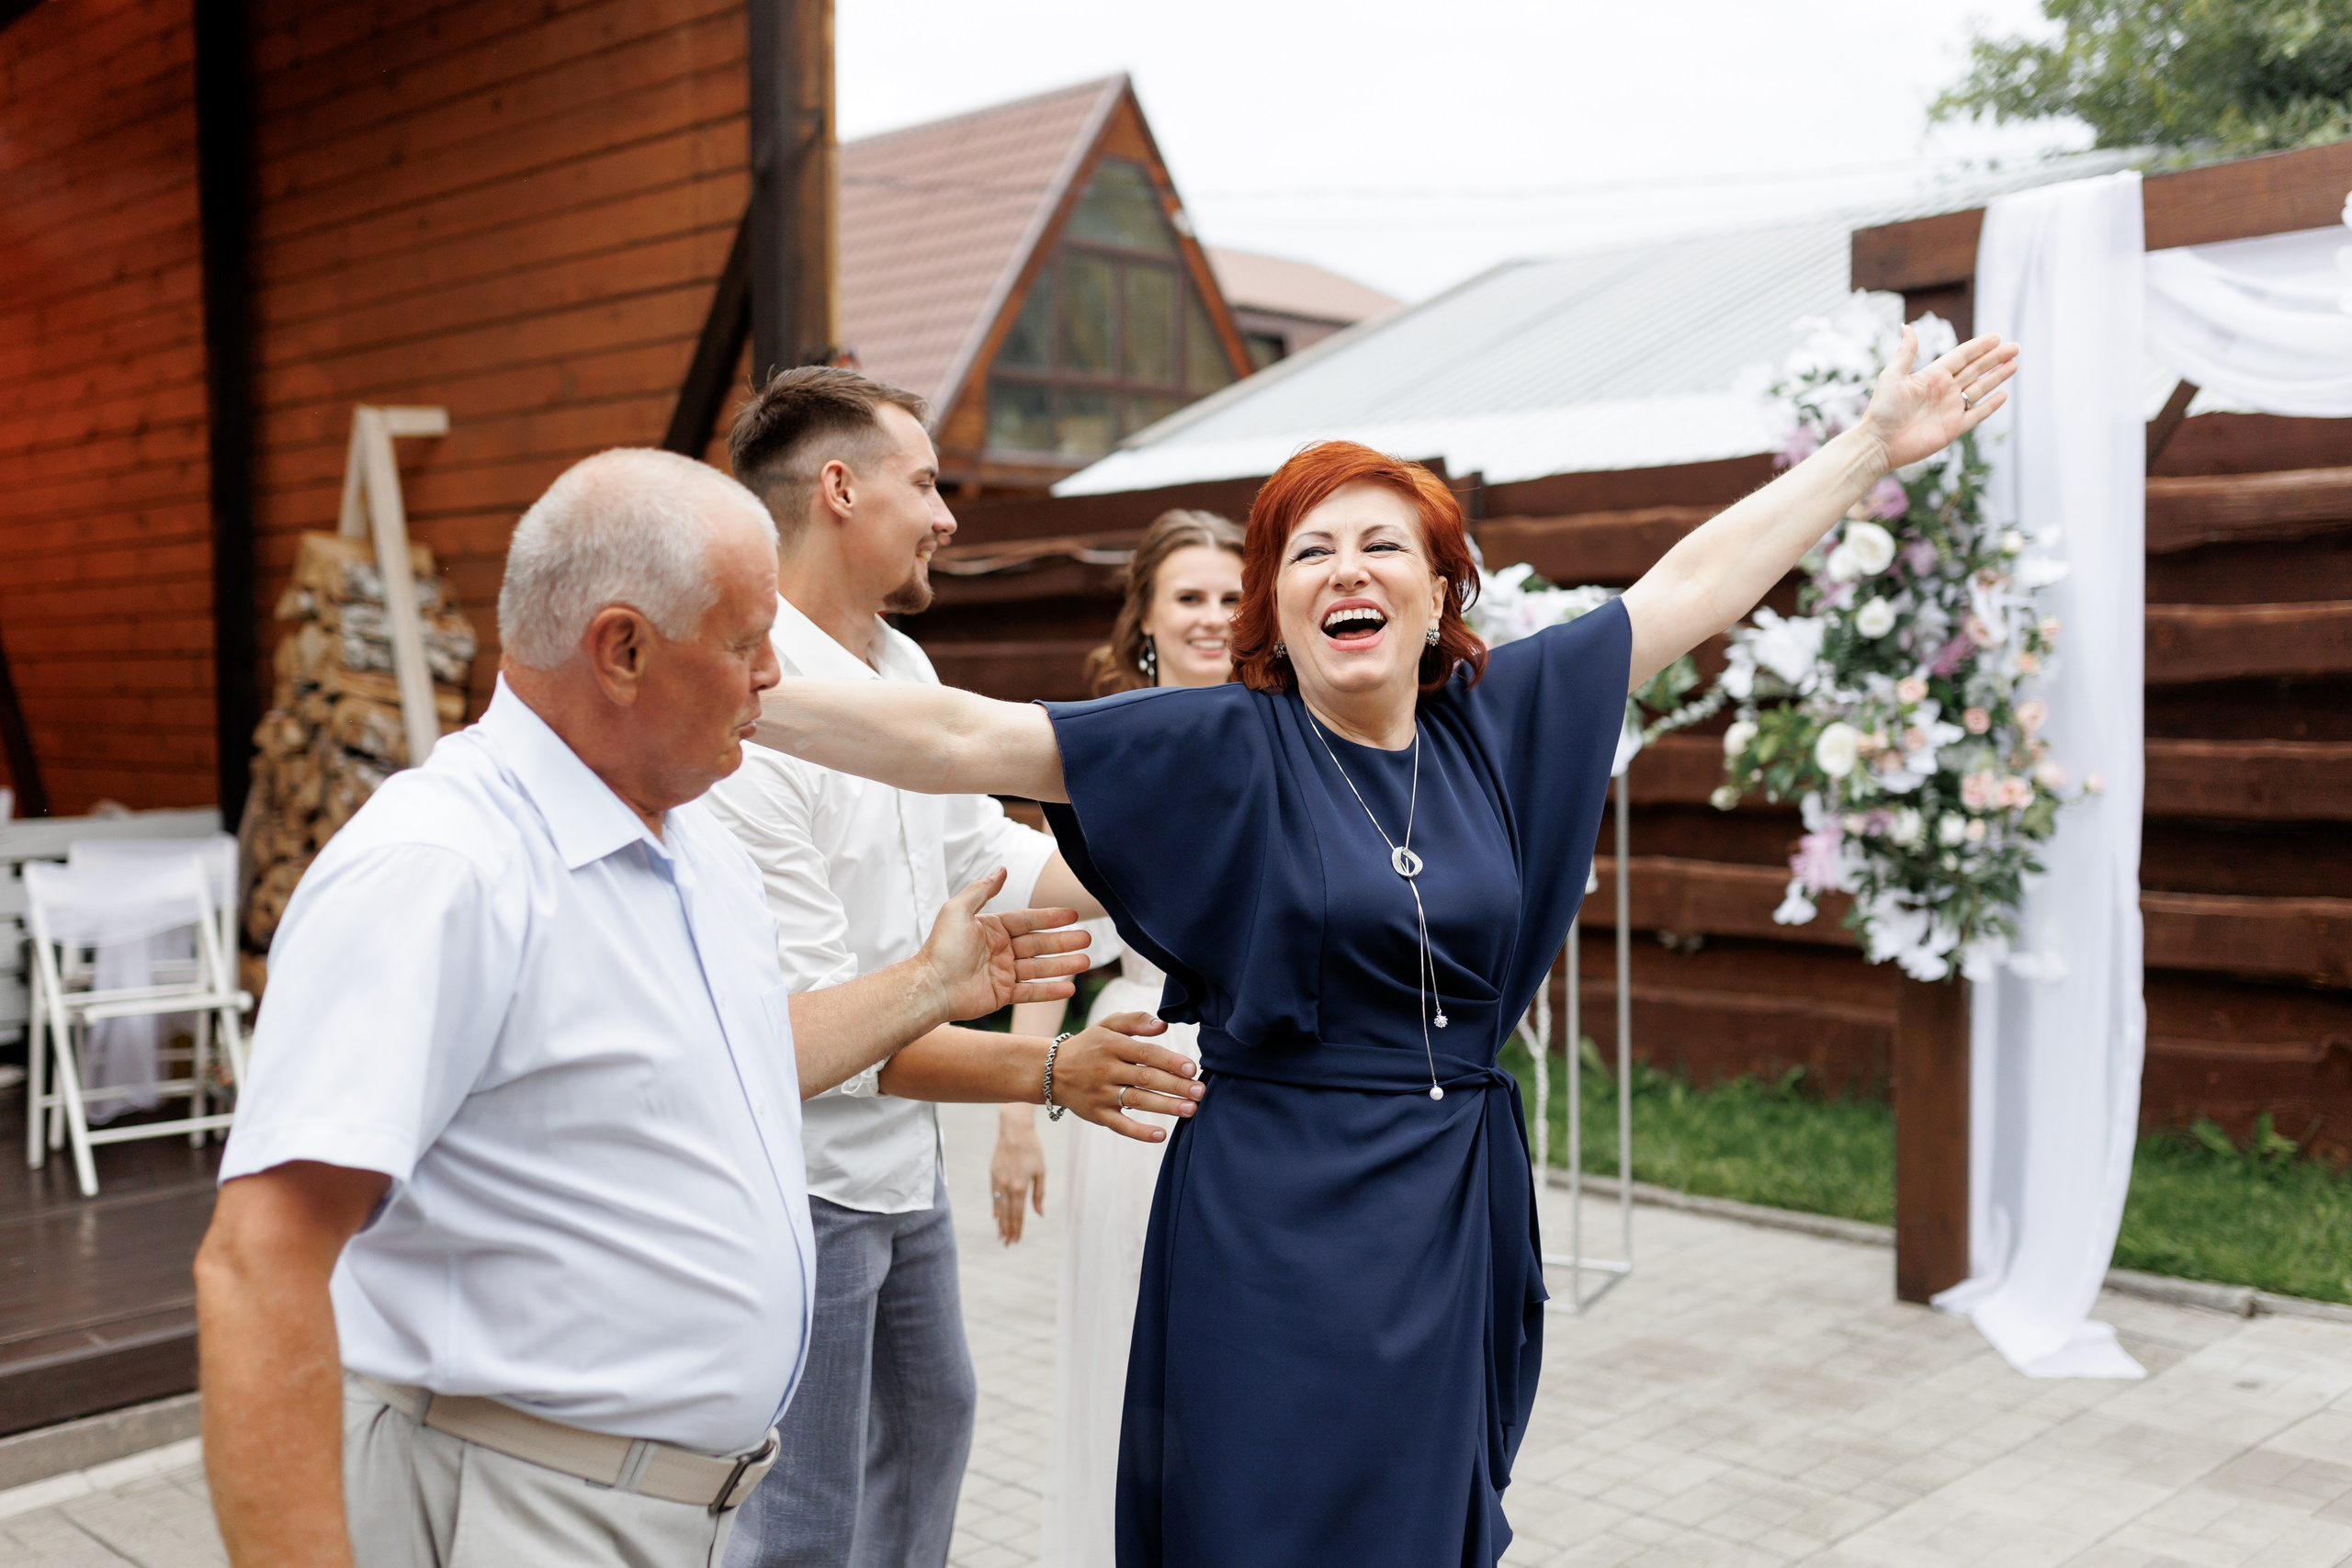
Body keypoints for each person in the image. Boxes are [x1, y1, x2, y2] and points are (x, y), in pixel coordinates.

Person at [749, 329, 2018, 1567]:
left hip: (1447, 1204)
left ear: (1435, 590)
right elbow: (966, 739)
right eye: (1308, 551)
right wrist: (725, 687)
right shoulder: (1226, 744)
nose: (1346, 569)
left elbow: (1688, 587)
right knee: (1253, 1519)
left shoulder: (1497, 722)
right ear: (1275, 602)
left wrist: (1870, 446)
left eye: (1379, 545)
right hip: (1264, 1217)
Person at [191, 449, 1104, 1568]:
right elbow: (260, 1261)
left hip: (676, 1509)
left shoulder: (692, 843)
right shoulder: (440, 865)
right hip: (520, 1502)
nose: (775, 675)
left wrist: (925, 985)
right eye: (744, 641)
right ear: (620, 648)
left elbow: (739, 1060)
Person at [699, 369, 1201, 1568]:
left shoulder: (904, 669)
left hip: (903, 1174)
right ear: (838, 489)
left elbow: (990, 852)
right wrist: (1050, 1069)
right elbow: (816, 1038)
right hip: (806, 1186)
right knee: (805, 1513)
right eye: (924, 481)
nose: (946, 514)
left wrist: (1184, 842)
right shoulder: (756, 708)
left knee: (934, 1424)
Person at [980, 509, 1245, 1568]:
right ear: (1144, 620)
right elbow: (1052, 935)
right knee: (1136, 1342)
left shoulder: (1297, 722)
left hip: (1268, 1074)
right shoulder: (1114, 748)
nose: (1215, 618)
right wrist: (1015, 1116)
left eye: (1234, 597)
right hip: (1138, 1068)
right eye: (1189, 598)